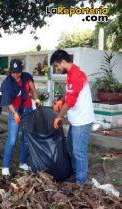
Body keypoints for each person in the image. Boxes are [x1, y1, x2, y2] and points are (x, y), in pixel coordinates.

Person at [51, 49, 95, 184]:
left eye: (57, 66)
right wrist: (60, 100)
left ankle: (81, 182)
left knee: (79, 152)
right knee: (71, 147)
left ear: (63, 62)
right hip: (76, 120)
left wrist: (58, 117)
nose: (57, 69)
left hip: (82, 120)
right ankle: (76, 174)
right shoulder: (71, 73)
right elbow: (69, 93)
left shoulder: (76, 75)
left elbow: (71, 102)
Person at [0, 59, 41, 176]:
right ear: (10, 72)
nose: (16, 75)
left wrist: (36, 100)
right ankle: (5, 166)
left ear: (21, 71)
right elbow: (7, 101)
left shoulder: (26, 77)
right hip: (15, 111)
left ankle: (22, 163)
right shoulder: (7, 83)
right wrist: (15, 113)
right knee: (12, 140)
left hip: (28, 110)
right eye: (13, 72)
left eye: (18, 72)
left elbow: (33, 90)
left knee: (26, 139)